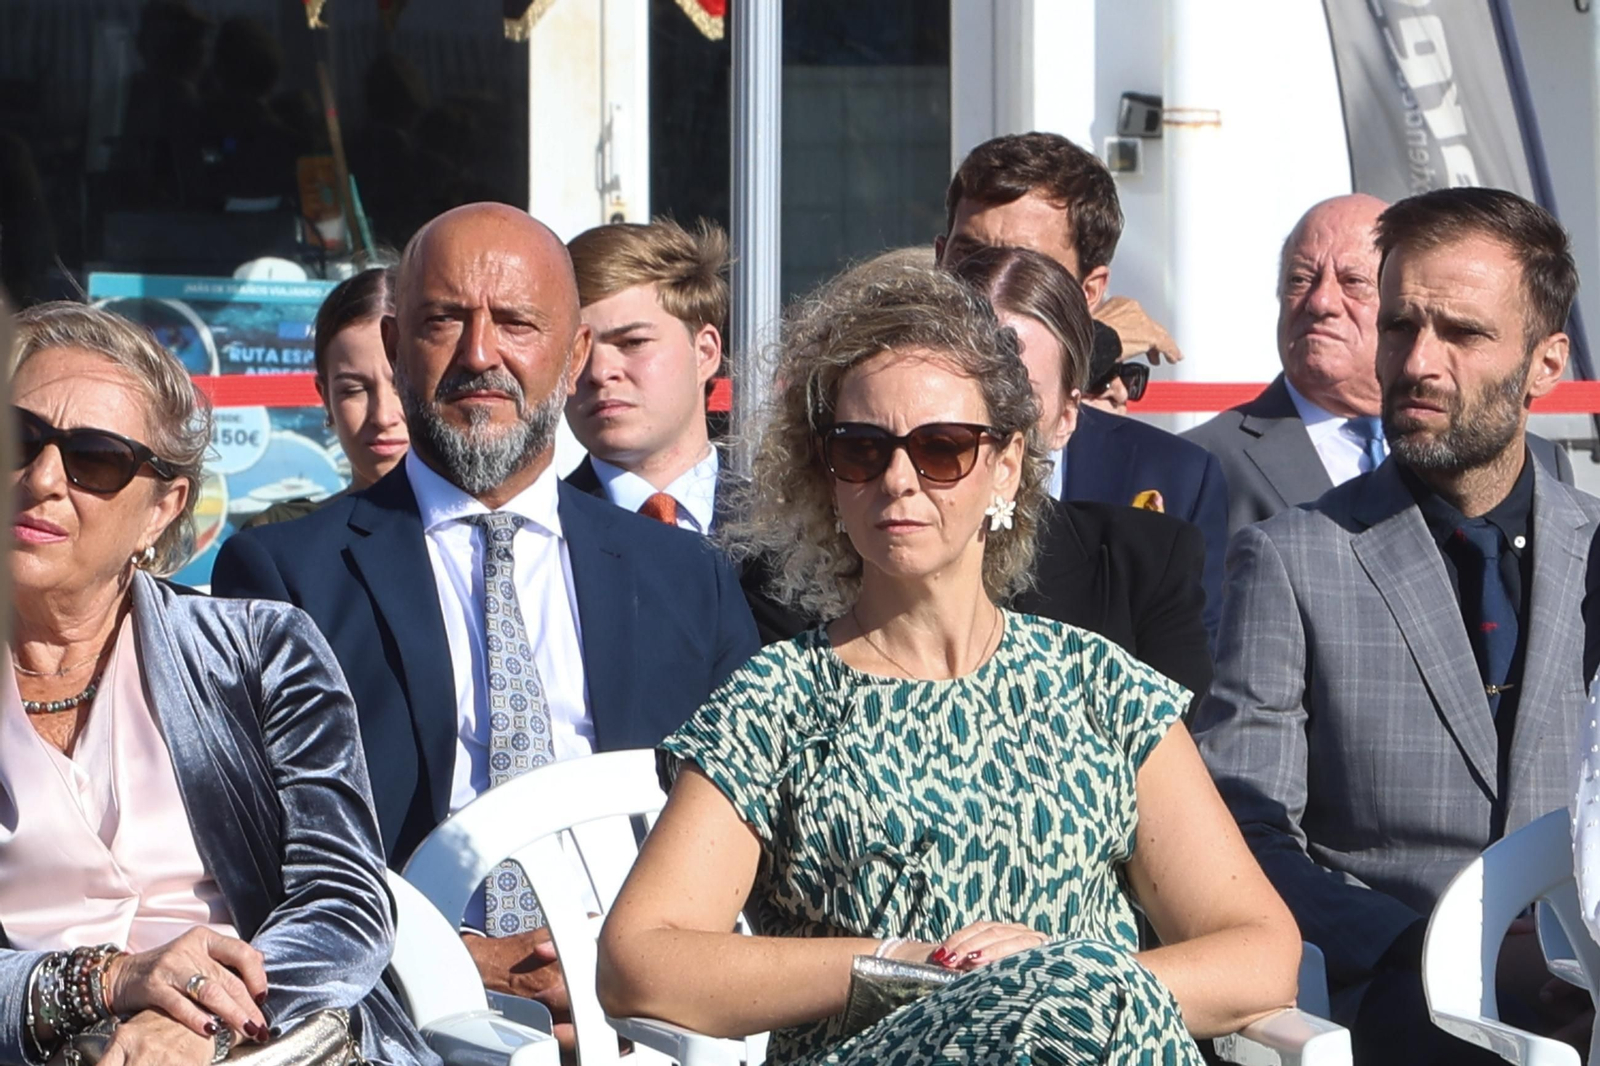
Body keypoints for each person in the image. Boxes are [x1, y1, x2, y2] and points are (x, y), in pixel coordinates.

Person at [595, 257, 1300, 1064]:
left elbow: (1259, 951)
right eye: (861, 450)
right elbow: (640, 960)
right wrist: (901, 966)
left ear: (1004, 466)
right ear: (827, 478)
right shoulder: (780, 702)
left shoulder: (1097, 686)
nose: (899, 480)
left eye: (941, 448)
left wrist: (1060, 985)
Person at [211, 202, 760, 1050]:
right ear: (394, 346)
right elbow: (263, 855)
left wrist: (617, 963)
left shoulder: (687, 580)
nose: (480, 355)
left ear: (573, 353)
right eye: (444, 321)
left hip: (650, 1026)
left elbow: (749, 830)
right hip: (406, 1026)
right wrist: (448, 958)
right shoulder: (287, 577)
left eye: (515, 323)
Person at [1192, 187, 1600, 1065]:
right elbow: (1243, 830)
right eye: (1402, 325)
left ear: (1546, 362)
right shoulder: (1292, 560)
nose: (1418, 362)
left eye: (1463, 333)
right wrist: (1430, 954)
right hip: (1389, 1002)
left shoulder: (1596, 550)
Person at [0, 302, 434, 1066]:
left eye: (94, 458)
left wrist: (210, 1021)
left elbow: (344, 903)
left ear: (162, 508)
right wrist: (107, 983)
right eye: (19, 440)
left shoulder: (256, 651)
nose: (41, 480)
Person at [935, 131, 1230, 640]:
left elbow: (1194, 691)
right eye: (969, 258)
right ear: (940, 259)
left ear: (1090, 290)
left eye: (1027, 268)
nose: (990, 287)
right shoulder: (870, 455)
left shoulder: (1176, 478)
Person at [1184, 194, 1575, 536]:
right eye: (1301, 279)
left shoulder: (1538, 462)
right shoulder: (1203, 463)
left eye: (1352, 281)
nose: (1321, 303)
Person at [948, 244, 1211, 698]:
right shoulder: (855, 554)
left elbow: (1170, 748)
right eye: (971, 383)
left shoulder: (1142, 568)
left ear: (1067, 417)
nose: (993, 412)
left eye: (1020, 390)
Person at [563, 218, 728, 531]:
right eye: (574, 353)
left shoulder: (795, 531)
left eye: (633, 342)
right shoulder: (538, 541)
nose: (599, 372)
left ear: (705, 353)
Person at [242, 266, 408, 529]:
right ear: (326, 398)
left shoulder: (490, 531)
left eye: (403, 384)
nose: (383, 416)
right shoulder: (278, 542)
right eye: (353, 390)